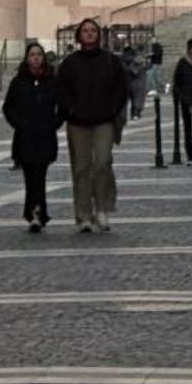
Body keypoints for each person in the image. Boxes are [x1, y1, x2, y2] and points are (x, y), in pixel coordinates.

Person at [57, 17, 130, 235]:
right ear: (79, 35)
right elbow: (61, 91)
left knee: (102, 163)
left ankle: (103, 209)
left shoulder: (110, 61)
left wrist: (113, 109)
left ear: (98, 35)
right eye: (85, 30)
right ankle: (83, 215)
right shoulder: (70, 63)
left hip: (103, 120)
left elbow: (121, 88)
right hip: (78, 122)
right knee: (81, 168)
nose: (89, 34)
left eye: (93, 30)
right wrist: (70, 109)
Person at [3, 41, 61, 233]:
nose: (36, 58)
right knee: (30, 176)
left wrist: (53, 123)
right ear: (27, 59)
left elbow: (62, 105)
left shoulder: (52, 81)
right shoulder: (19, 82)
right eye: (32, 55)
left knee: (40, 175)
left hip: (45, 134)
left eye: (39, 54)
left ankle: (38, 212)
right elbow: (8, 107)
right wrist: (18, 123)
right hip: (25, 135)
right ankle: (33, 212)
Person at [123, 45, 149, 120]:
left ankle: (133, 113)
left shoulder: (125, 60)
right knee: (137, 99)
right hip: (138, 82)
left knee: (132, 99)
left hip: (129, 83)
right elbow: (136, 71)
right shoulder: (138, 60)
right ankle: (136, 113)